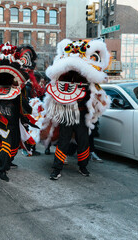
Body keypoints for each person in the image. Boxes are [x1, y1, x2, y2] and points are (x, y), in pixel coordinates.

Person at [42, 39, 111, 180]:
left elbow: (98, 93)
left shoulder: (88, 78)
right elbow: (53, 93)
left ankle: (83, 166)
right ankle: (57, 168)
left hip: (82, 113)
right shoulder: (62, 75)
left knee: (83, 140)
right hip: (67, 112)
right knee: (63, 141)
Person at [0, 42, 39, 182]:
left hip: (15, 115)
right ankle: (2, 169)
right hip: (0, 114)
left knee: (14, 141)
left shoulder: (20, 86)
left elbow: (24, 92)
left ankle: (8, 162)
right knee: (6, 141)